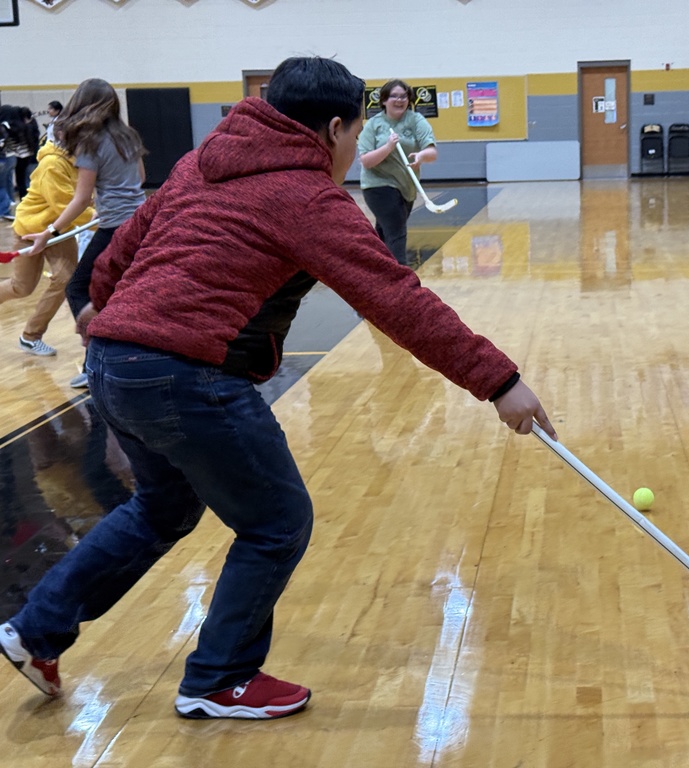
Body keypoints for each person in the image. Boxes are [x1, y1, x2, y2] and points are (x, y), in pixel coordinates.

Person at [0, 56, 556, 721]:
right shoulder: (306, 194)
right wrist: (499, 382)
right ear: (332, 128)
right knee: (276, 521)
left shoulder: (201, 161)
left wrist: (99, 307)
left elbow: (129, 241)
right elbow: (396, 298)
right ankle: (219, 677)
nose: (350, 150)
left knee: (163, 509)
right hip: (186, 375)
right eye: (352, 135)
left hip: (117, 364)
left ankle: (37, 631)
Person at [21, 79, 147, 388]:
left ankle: (96, 362)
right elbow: (141, 178)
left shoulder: (91, 142)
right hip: (142, 223)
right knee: (121, 290)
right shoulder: (128, 135)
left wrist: (48, 231)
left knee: (78, 288)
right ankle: (124, 357)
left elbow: (79, 199)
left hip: (116, 227)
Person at [0, 139, 96, 356]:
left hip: (58, 232)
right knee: (21, 287)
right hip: (30, 230)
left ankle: (30, 336)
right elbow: (64, 204)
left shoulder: (79, 160)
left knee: (66, 280)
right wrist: (101, 220)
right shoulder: (53, 163)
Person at [357, 79, 437, 266]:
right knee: (396, 230)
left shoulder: (416, 120)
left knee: (384, 232)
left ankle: (375, 268)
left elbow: (432, 152)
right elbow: (366, 161)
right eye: (394, 96)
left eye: (404, 96)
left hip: (406, 186)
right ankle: (401, 276)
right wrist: (388, 147)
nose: (400, 100)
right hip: (377, 185)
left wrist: (421, 156)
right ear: (384, 100)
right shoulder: (374, 125)